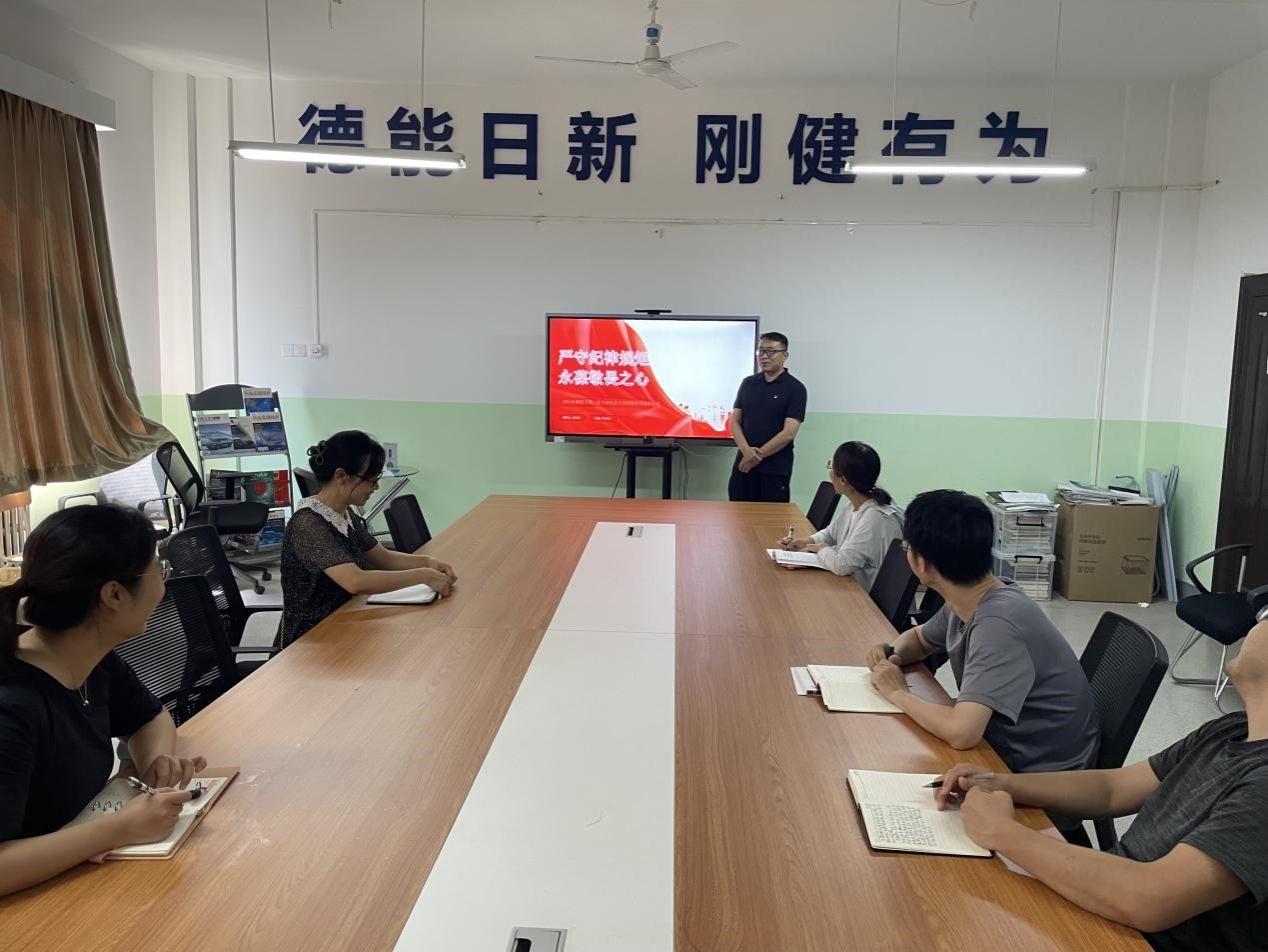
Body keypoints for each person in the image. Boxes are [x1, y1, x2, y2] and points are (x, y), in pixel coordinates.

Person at [935, 616, 1268, 950]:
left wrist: (1001, 831)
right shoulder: (1230, 730)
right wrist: (1003, 783)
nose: (1257, 620)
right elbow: (1113, 789)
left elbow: (1152, 899)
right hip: (1108, 904)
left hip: (1134, 934)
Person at [0, 506, 206, 897]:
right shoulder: (12, 707)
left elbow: (149, 719)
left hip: (73, 882)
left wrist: (157, 763)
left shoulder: (92, 658)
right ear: (114, 594)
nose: (164, 585)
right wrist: (119, 828)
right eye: (159, 571)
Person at [865, 489, 1100, 775]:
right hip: (1008, 748)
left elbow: (962, 733)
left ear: (921, 562)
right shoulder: (969, 598)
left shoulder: (998, 624)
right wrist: (893, 655)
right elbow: (919, 639)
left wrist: (897, 692)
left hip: (1042, 776)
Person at [281, 430, 457, 645]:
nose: (376, 487)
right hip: (312, 639)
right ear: (341, 476)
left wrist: (428, 563)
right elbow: (355, 581)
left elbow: (383, 558)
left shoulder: (343, 513)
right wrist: (423, 576)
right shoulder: (308, 524)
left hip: (347, 619)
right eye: (371, 481)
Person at [778, 441, 902, 591]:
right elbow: (831, 533)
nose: (829, 472)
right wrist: (805, 542)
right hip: (851, 586)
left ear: (843, 480)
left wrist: (820, 548)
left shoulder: (874, 517)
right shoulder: (855, 504)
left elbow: (842, 565)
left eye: (831, 466)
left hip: (866, 597)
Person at [728, 331, 808, 503]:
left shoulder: (795, 388)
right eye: (761, 351)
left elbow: (788, 433)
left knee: (772, 515)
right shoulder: (748, 383)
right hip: (744, 463)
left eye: (771, 351)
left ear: (785, 355)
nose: (764, 356)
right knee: (738, 512)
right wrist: (746, 451)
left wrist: (757, 457)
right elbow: (735, 421)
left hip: (774, 468)